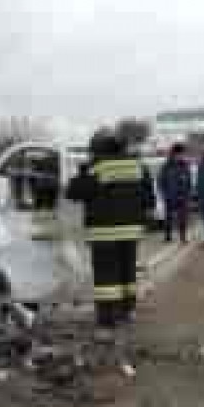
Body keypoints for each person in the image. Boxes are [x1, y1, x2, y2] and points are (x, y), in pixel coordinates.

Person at [67, 126, 155, 326]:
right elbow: (149, 198)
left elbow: (74, 192)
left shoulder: (97, 168)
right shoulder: (137, 166)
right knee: (127, 272)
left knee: (106, 277)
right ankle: (127, 310)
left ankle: (108, 318)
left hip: (104, 232)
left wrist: (84, 169)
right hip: (131, 230)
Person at [158, 142, 192, 243]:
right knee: (168, 217)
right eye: (179, 154)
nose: (181, 156)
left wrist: (187, 193)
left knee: (182, 218)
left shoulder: (185, 165)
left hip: (182, 196)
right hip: (170, 195)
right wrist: (164, 193)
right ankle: (167, 236)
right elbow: (161, 180)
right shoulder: (166, 166)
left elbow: (188, 180)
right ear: (174, 154)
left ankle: (183, 236)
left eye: (182, 154)